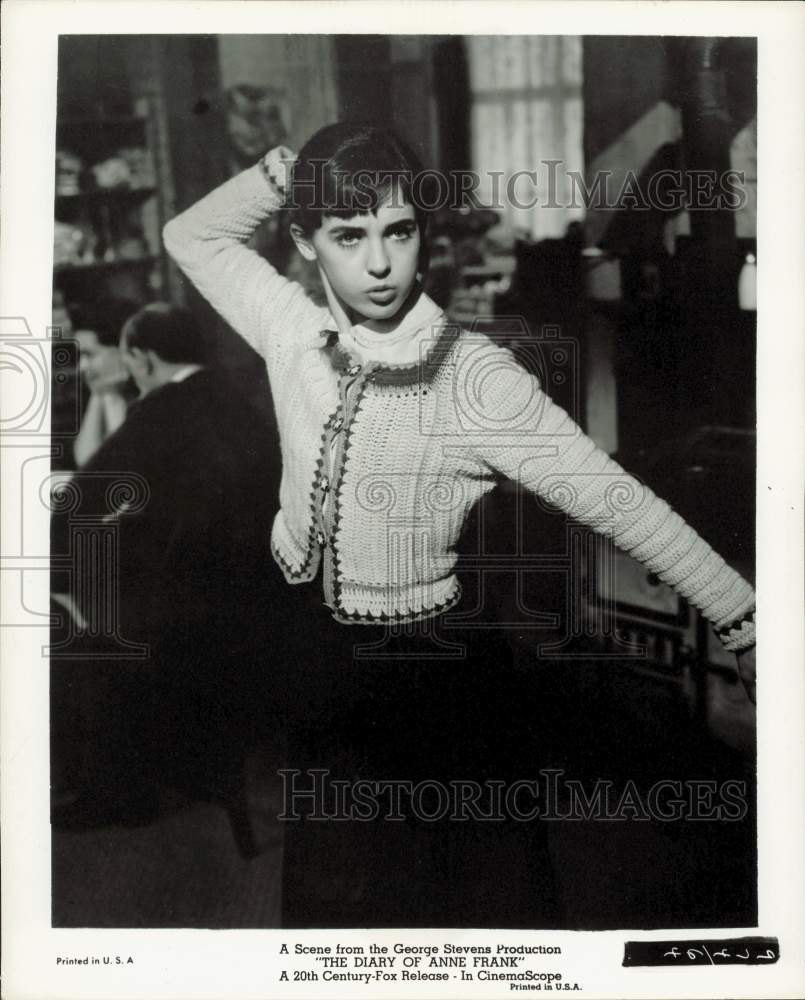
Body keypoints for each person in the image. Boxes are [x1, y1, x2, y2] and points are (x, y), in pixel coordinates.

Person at [162, 123, 757, 927]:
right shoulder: (289, 327)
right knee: (333, 910)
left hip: (433, 680)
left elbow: (617, 500)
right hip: (316, 660)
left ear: (422, 234)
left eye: (397, 231)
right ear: (304, 242)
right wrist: (286, 168)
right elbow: (190, 234)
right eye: (348, 235)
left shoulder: (474, 377)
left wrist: (742, 618)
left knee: (469, 908)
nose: (378, 263)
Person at [51, 302, 280, 830]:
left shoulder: (164, 408)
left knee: (58, 613)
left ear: (144, 357)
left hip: (194, 614)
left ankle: (113, 790)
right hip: (260, 602)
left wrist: (61, 576)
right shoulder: (240, 398)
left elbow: (78, 501)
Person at [69, 297, 140, 467]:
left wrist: (111, 396)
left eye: (89, 355)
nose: (82, 366)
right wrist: (100, 395)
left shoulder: (149, 394)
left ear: (121, 351)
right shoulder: (105, 389)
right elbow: (86, 462)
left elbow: (126, 466)